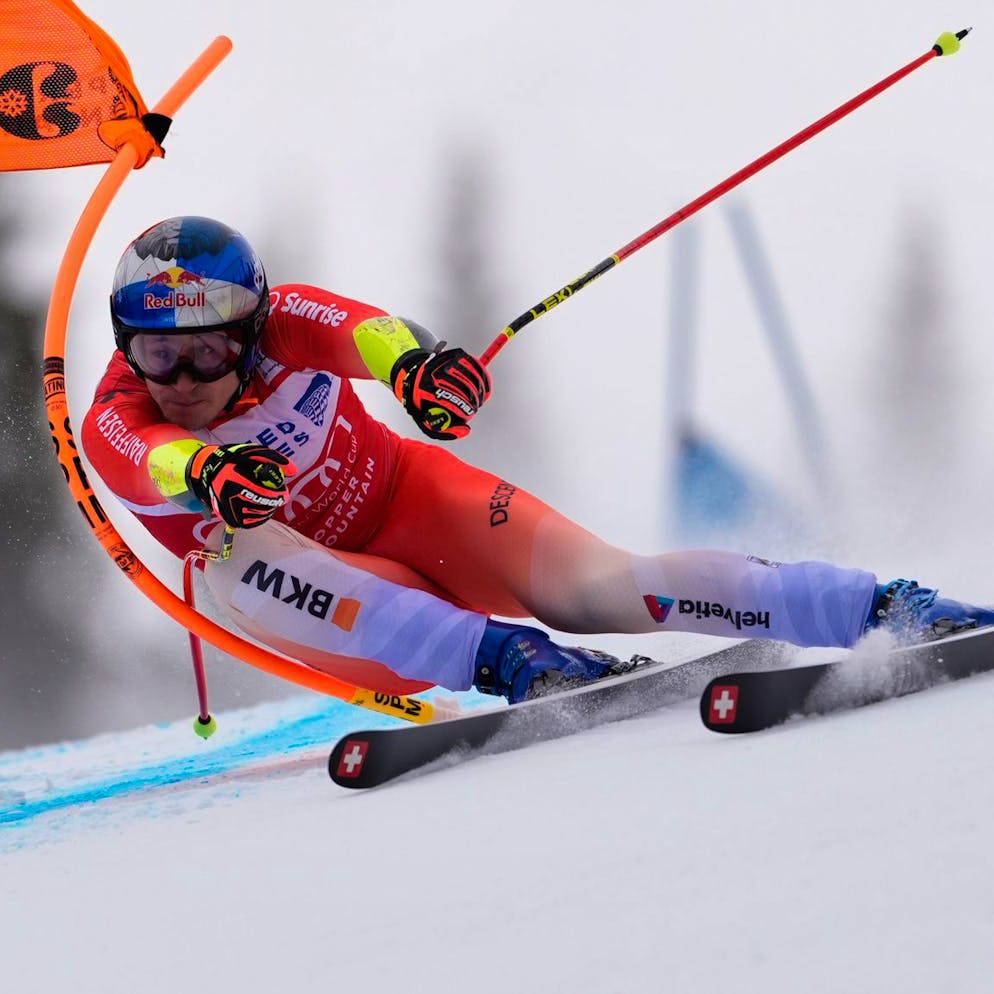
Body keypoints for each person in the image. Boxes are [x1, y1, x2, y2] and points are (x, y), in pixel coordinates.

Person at [81, 216, 994, 706]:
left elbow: (368, 330)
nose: (185, 376)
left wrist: (421, 365)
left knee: (600, 585)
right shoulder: (118, 416)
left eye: (210, 349)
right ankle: (510, 659)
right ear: (128, 345)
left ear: (251, 326)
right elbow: (147, 458)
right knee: (233, 558)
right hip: (322, 602)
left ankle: (870, 604)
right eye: (157, 351)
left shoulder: (286, 322)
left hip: (408, 499)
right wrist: (207, 474)